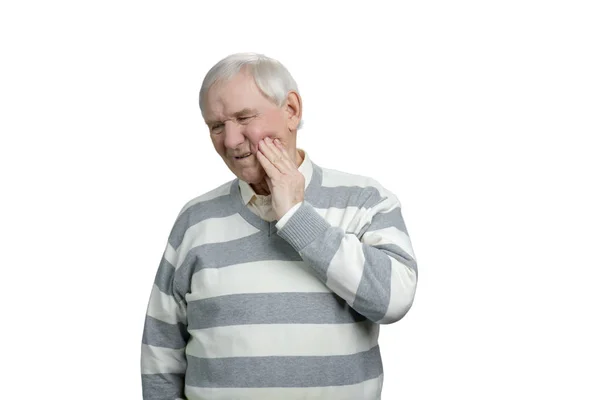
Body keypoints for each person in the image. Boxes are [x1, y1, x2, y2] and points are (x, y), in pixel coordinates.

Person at [141, 52, 419, 400]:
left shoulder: (364, 200)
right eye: (216, 125)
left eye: (244, 117)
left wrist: (297, 217)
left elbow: (394, 300)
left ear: (291, 110)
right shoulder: (195, 219)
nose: (229, 140)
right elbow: (161, 352)